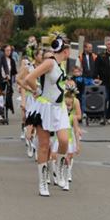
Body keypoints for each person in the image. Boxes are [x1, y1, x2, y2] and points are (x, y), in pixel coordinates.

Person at [24, 37, 72, 197]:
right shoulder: (50, 62)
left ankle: (58, 167)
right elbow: (29, 78)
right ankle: (42, 182)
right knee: (44, 145)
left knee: (64, 140)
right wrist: (37, 92)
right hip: (46, 107)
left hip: (60, 107)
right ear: (65, 50)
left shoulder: (62, 64)